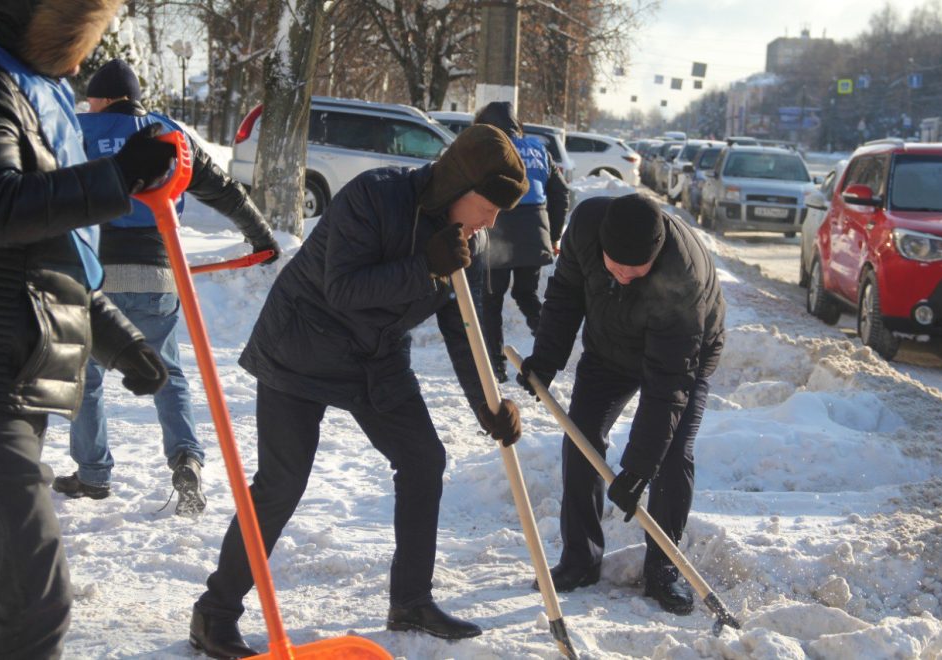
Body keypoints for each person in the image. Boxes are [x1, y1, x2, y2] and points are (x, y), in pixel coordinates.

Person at [190, 124, 528, 657]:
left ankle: (411, 600)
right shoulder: (375, 196)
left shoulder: (470, 238)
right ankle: (214, 614)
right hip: (302, 344)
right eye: (488, 207)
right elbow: (343, 288)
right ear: (457, 185)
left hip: (376, 358)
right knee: (282, 482)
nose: (491, 221)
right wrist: (425, 266)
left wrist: (487, 404)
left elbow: (464, 328)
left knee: (423, 460)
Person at [0, 2, 178, 657]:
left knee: (14, 603)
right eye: (74, 46)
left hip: (18, 382)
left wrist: (126, 345)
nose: (78, 67)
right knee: (36, 606)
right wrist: (118, 175)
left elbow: (55, 261)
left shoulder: (34, 98)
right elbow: (3, 206)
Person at [51, 59, 281, 516]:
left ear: (102, 99)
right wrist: (261, 237)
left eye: (92, 100)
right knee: (168, 373)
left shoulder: (76, 129)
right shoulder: (168, 133)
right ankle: (186, 460)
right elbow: (223, 190)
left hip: (93, 275)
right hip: (157, 275)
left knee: (87, 377)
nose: (89, 106)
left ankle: (93, 473)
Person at [517, 192, 725, 615]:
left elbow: (668, 384)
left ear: (656, 253)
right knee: (582, 438)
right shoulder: (585, 227)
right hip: (609, 348)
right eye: (616, 267)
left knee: (672, 455)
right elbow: (565, 294)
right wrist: (546, 359)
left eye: (637, 269)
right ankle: (580, 559)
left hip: (683, 358)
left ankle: (663, 570)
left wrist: (639, 468)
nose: (625, 277)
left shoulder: (682, 274)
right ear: (602, 246)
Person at [472, 101, 569, 382]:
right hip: (534, 230)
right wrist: (552, 236)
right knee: (527, 295)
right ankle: (550, 350)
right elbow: (561, 194)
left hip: (498, 229)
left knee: (491, 300)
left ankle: (495, 366)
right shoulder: (539, 149)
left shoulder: (489, 148)